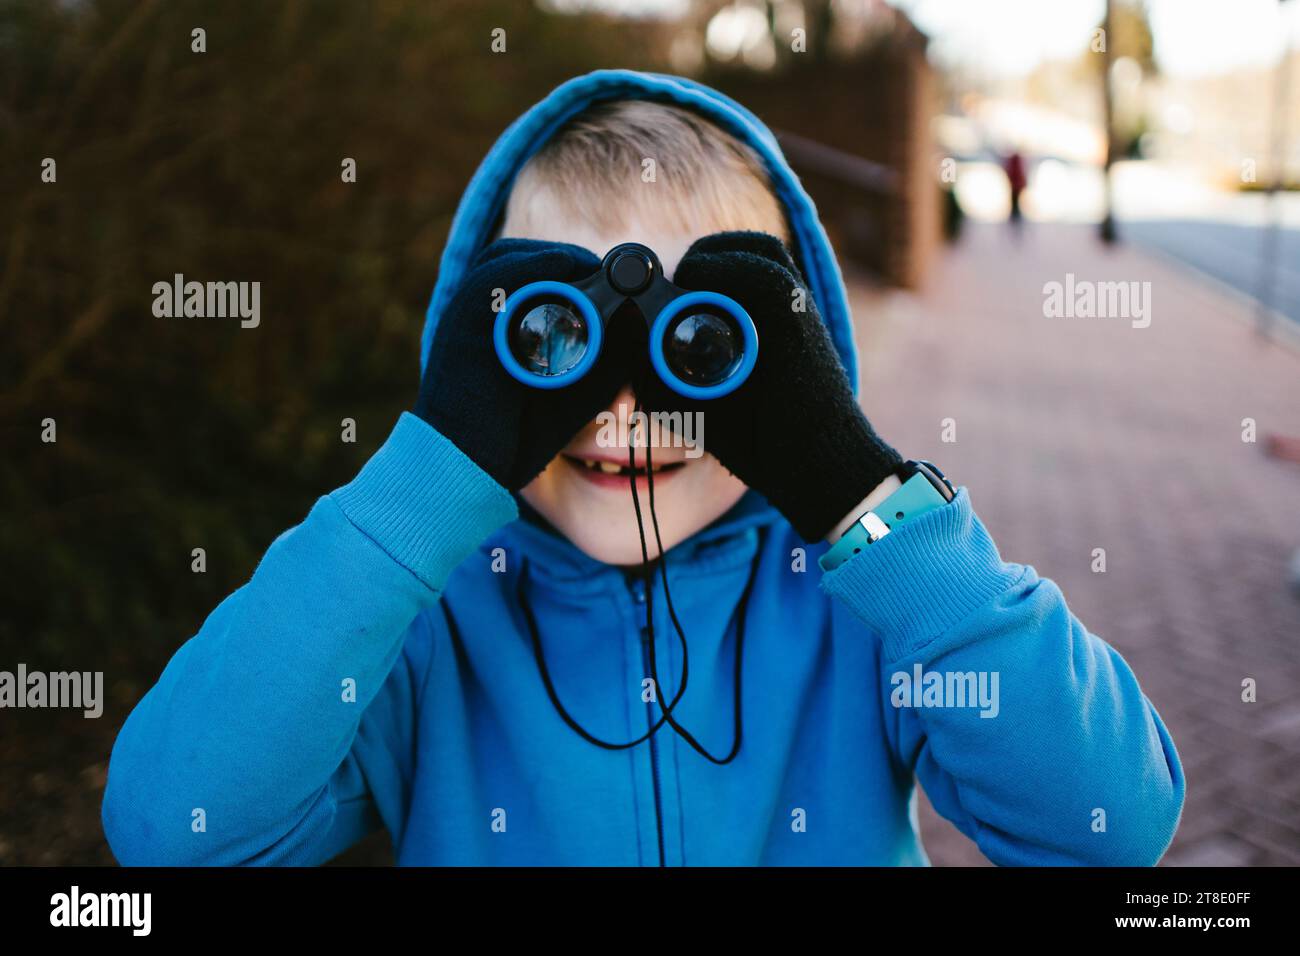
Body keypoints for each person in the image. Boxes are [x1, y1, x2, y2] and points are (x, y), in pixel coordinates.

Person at [102, 71, 1183, 866]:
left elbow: (1109, 824)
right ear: (476, 350)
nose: (625, 406)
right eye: (550, 339)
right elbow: (172, 831)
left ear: (791, 366)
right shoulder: (422, 624)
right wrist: (424, 485)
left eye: (699, 347)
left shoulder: (862, 606)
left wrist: (856, 494)